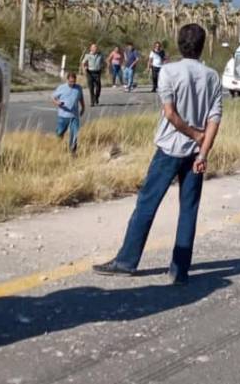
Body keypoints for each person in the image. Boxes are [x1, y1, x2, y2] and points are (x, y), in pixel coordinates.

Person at [93, 24, 223, 284]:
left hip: (168, 150)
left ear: (178, 43)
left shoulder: (169, 72)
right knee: (189, 209)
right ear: (202, 45)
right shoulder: (212, 76)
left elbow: (171, 114)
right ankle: (179, 269)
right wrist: (202, 151)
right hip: (195, 153)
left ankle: (127, 260)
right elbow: (214, 117)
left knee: (147, 204)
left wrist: (194, 135)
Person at [53, 71, 86, 154]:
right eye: (70, 81)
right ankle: (57, 146)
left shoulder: (78, 88)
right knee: (60, 132)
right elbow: (53, 97)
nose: (72, 83)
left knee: (75, 133)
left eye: (74, 81)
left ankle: (73, 151)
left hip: (74, 115)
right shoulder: (61, 87)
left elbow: (81, 98)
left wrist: (83, 107)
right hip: (63, 115)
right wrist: (58, 103)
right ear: (67, 80)